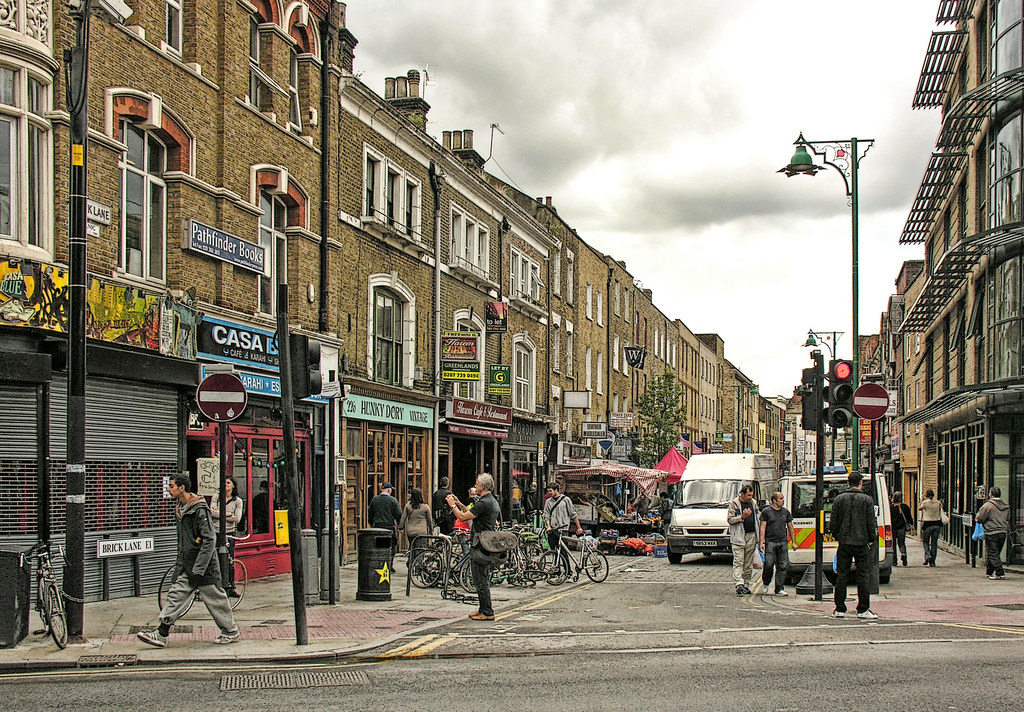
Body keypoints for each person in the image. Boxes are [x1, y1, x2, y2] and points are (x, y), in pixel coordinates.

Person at [137, 473, 240, 647]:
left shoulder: (199, 509)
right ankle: (161, 633)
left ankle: (230, 631)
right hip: (188, 563)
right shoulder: (181, 508)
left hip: (204, 566)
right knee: (175, 595)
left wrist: (199, 567)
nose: (168, 490)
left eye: (171, 486)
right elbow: (184, 542)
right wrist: (180, 565)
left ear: (181, 488)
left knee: (216, 600)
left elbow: (209, 539)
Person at [447, 473, 500, 621]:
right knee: (480, 577)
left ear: (482, 486)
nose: (475, 486)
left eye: (477, 484)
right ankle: (483, 608)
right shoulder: (489, 500)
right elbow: (472, 513)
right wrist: (458, 503)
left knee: (480, 578)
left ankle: (487, 611)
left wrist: (452, 506)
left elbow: (463, 517)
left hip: (480, 544)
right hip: (484, 542)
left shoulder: (484, 502)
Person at [829, 472, 878, 620]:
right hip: (861, 542)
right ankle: (863, 609)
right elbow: (871, 522)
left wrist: (838, 536)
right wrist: (871, 539)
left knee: (841, 575)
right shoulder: (867, 500)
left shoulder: (839, 499)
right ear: (860, 483)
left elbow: (833, 523)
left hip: (844, 542)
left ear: (848, 482)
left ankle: (839, 608)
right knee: (863, 575)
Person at [210, 475, 243, 597]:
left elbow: (237, 518)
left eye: (228, 483)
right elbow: (211, 512)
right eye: (224, 483)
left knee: (229, 560)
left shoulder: (237, 501)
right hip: (215, 531)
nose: (226, 485)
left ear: (233, 485)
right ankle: (215, 584)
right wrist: (229, 514)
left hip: (229, 533)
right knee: (215, 558)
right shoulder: (216, 497)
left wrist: (220, 513)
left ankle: (231, 586)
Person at [759, 491, 795, 597]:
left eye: (783, 498)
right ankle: (766, 582)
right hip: (770, 542)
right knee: (769, 564)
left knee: (783, 565)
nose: (783, 500)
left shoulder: (785, 512)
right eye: (781, 498)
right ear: (774, 501)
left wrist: (794, 542)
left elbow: (790, 527)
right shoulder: (766, 512)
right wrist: (762, 542)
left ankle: (779, 588)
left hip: (783, 541)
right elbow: (762, 527)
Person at [543, 483, 583, 571]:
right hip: (553, 530)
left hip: (563, 529)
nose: (549, 493)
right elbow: (546, 515)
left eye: (551, 491)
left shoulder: (566, 500)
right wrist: (548, 526)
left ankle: (568, 571)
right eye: (548, 491)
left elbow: (573, 514)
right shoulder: (549, 501)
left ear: (556, 490)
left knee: (564, 552)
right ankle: (557, 571)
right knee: (554, 551)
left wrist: (578, 527)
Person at [727, 484, 759, 595]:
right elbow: (730, 520)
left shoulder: (753, 503)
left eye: (751, 495)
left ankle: (746, 584)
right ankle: (739, 583)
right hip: (738, 536)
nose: (750, 497)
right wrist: (742, 517)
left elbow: (757, 519)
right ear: (742, 494)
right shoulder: (734, 504)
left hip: (751, 535)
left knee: (748, 563)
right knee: (738, 561)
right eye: (748, 495)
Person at [976, 486, 1010, 580]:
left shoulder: (988, 505)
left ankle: (1000, 573)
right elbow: (1008, 518)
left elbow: (980, 518)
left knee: (992, 553)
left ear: (991, 494)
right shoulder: (1005, 506)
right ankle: (989, 571)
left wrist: (979, 520)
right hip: (1002, 531)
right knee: (995, 552)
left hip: (991, 532)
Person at [369, 481, 402, 567]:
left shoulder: (374, 500)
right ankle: (389, 565)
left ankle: (379, 564)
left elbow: (370, 514)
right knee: (391, 546)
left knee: (379, 547)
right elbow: (398, 514)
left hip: (377, 527)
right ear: (388, 490)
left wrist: (371, 523)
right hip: (389, 527)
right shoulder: (393, 500)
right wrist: (400, 525)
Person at [918, 488, 944, 567]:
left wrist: (921, 500)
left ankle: (928, 555)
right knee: (934, 543)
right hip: (937, 524)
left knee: (925, 542)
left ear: (926, 495)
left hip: (928, 524)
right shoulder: (938, 503)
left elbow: (920, 509)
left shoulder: (925, 503)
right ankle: (932, 562)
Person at [889, 491, 913, 567]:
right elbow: (909, 517)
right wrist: (912, 525)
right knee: (902, 543)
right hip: (901, 528)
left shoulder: (890, 507)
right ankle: (903, 553)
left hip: (892, 528)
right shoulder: (905, 507)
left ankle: (894, 562)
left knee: (893, 545)